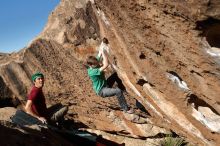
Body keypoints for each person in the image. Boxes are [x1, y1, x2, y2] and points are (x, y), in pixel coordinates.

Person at [86, 47, 133, 113]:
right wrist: (104, 54)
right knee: (118, 91)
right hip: (102, 91)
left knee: (115, 75)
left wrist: (102, 48)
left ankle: (123, 89)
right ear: (90, 65)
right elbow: (106, 64)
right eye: (95, 64)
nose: (97, 65)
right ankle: (125, 108)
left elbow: (99, 53)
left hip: (106, 84)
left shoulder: (94, 63)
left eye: (97, 63)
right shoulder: (92, 72)